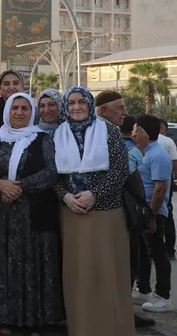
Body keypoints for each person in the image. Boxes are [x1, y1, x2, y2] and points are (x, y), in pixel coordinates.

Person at [54, 86, 133, 336]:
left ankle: (113, 329)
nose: (76, 107)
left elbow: (120, 170)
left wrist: (94, 194)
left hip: (106, 213)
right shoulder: (58, 134)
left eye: (82, 102)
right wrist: (66, 197)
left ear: (90, 104)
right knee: (79, 277)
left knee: (108, 273)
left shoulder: (108, 131)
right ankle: (82, 329)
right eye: (72, 102)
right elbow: (51, 175)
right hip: (71, 213)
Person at [0, 93, 63, 336]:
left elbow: (52, 171)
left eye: (25, 109)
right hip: (1, 214)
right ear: (7, 110)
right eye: (15, 108)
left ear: (32, 113)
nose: (19, 112)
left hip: (33, 214)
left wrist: (18, 187)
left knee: (33, 266)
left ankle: (35, 320)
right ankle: (4, 317)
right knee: (3, 264)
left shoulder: (42, 139)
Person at [95, 90, 155, 329]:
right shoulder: (99, 133)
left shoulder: (109, 133)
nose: (125, 112)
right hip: (111, 209)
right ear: (103, 111)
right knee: (124, 261)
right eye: (119, 108)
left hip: (123, 207)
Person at [131, 115, 174, 312]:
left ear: (145, 133)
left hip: (154, 214)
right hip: (143, 212)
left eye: (135, 129)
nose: (132, 132)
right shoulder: (143, 152)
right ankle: (144, 289)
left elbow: (160, 189)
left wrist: (152, 215)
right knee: (143, 252)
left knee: (158, 254)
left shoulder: (158, 154)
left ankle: (163, 296)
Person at [157, 119, 177, 259]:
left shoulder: (143, 141)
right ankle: (170, 250)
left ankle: (154, 250)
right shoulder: (168, 141)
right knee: (167, 211)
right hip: (166, 178)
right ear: (163, 129)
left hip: (148, 180)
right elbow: (174, 164)